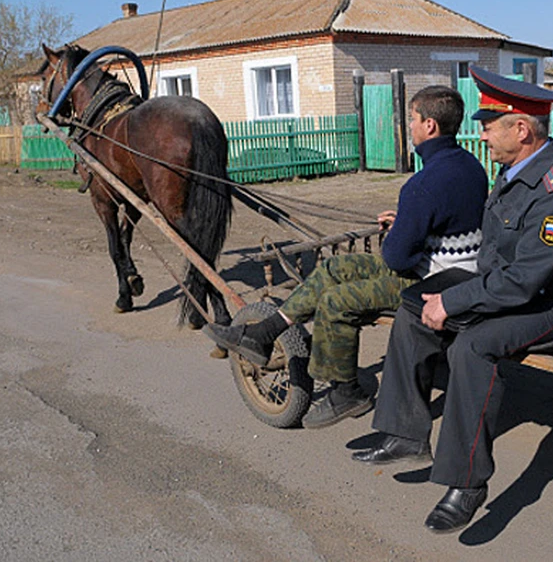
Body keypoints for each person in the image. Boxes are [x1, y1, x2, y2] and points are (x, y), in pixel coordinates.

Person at [351, 66, 553, 534]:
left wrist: (456, 302)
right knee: (414, 303)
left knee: (473, 346)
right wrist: (443, 292)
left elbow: (525, 282)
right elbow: (497, 257)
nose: (481, 135)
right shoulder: (513, 172)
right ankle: (406, 431)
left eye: (489, 125)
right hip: (510, 286)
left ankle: (467, 482)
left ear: (520, 129)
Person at [204, 85, 488, 429]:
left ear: (430, 126)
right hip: (457, 268)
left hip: (432, 281)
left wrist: (400, 231)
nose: (408, 126)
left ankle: (347, 391)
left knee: (337, 301)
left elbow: (397, 258)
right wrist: (408, 222)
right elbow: (450, 217)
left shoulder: (423, 184)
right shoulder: (470, 165)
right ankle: (265, 331)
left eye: (412, 119)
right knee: (335, 266)